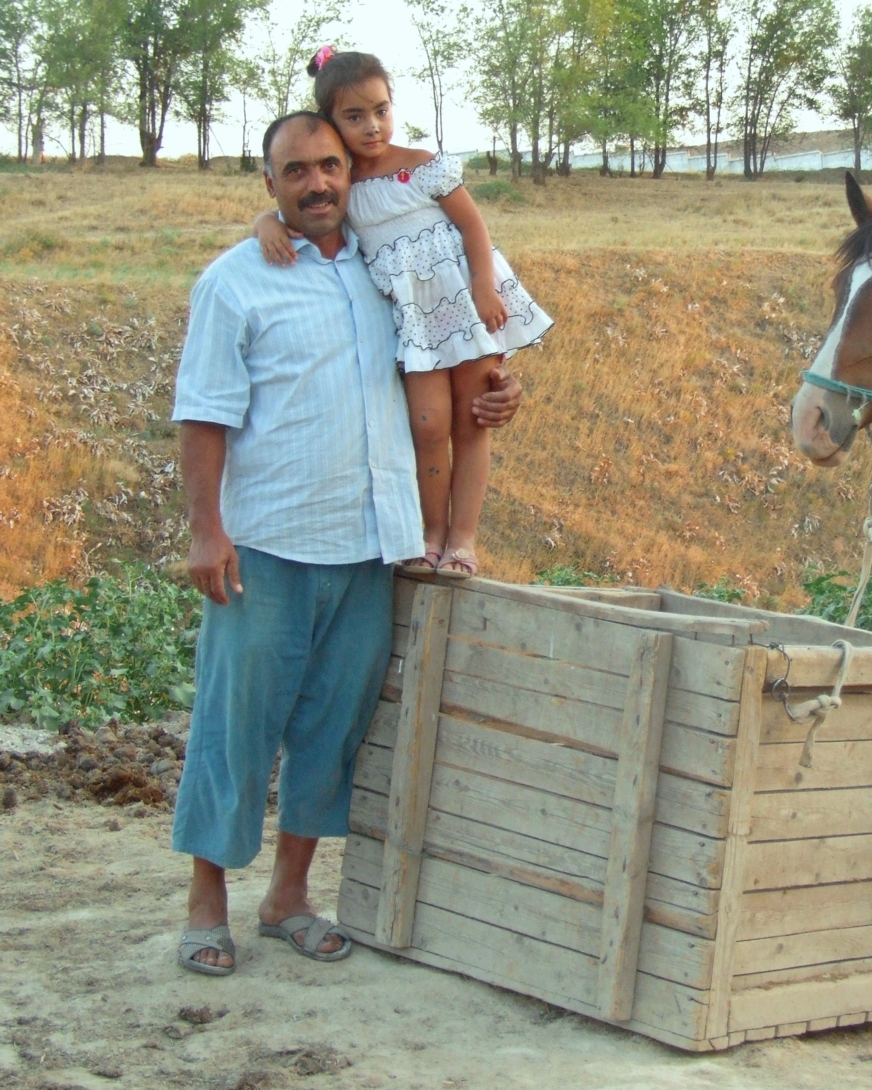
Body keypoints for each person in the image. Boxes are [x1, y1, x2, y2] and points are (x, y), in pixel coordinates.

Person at [172, 111, 522, 976]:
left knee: (333, 730)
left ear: (351, 174)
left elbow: (453, 355)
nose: (318, 184)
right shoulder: (236, 281)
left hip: (373, 547)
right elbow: (202, 414)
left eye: (329, 167)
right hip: (268, 546)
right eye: (296, 172)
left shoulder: (386, 270)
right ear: (270, 184)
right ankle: (204, 903)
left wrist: (496, 397)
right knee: (235, 725)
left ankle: (290, 896)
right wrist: (206, 531)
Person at [255, 47, 551, 578]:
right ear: (331, 122)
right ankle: (428, 532)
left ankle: (462, 539)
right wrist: (265, 221)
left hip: (465, 303)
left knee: (472, 420)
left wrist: (484, 284)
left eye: (381, 110)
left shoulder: (421, 167)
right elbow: (303, 213)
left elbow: (473, 226)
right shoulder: (342, 184)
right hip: (415, 322)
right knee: (427, 423)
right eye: (354, 116)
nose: (372, 126)